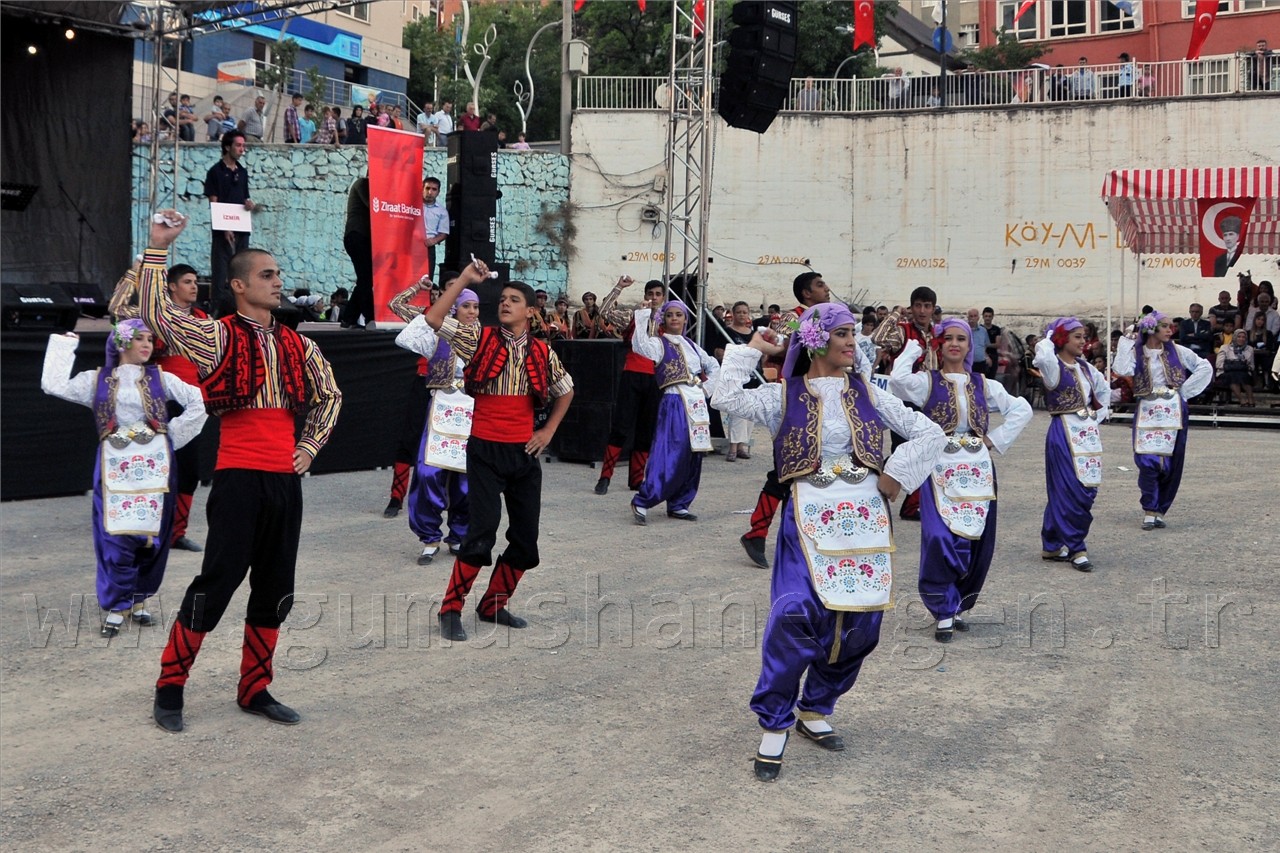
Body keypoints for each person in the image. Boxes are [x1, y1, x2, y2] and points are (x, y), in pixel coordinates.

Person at [711, 303, 945, 783]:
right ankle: (775, 723)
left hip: (864, 518)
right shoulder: (783, 397)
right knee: (793, 612)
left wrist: (896, 476)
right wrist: (750, 351)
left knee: (862, 625)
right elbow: (724, 397)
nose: (851, 342)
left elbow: (929, 430)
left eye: (852, 334)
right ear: (816, 340)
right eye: (842, 333)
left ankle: (816, 707)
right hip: (808, 515)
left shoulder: (871, 394)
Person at [142, 209, 342, 733]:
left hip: (283, 480)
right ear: (238, 285)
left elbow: (330, 397)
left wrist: (309, 448)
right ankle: (170, 683)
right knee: (217, 581)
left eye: (278, 275)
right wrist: (158, 247)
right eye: (267, 276)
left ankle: (254, 687)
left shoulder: (301, 345)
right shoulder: (218, 336)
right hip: (237, 478)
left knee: (277, 586)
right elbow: (157, 317)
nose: (278, 283)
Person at [423, 260, 575, 642]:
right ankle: (450, 608)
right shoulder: (480, 337)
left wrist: (548, 430)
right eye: (502, 299)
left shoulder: (542, 351)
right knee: (481, 533)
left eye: (514, 300)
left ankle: (493, 603)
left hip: (524, 453)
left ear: (530, 311)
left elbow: (566, 390)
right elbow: (432, 318)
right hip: (486, 450)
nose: (505, 304)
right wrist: (463, 281)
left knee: (526, 538)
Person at [41, 322, 207, 637]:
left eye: (149, 340)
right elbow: (53, 385)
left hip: (155, 468)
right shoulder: (98, 380)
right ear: (121, 344)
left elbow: (198, 403)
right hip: (114, 470)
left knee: (151, 535)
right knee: (116, 536)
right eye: (139, 339)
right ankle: (117, 604)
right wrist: (64, 346)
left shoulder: (162, 378)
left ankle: (138, 599)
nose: (147, 345)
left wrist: (169, 436)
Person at [890, 320, 1032, 642]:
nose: (955, 344)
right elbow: (897, 381)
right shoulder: (927, 381)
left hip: (978, 466)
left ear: (970, 346)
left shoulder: (984, 384)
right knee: (940, 536)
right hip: (939, 465)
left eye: (961, 339)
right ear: (939, 345)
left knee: (975, 539)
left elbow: (1020, 409)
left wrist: (994, 440)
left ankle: (955, 605)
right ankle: (942, 606)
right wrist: (915, 348)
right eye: (948, 338)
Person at [109, 263, 213, 552]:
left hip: (192, 403)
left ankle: (176, 534)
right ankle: (140, 531)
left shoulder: (203, 319)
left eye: (196, 282)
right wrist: (133, 273)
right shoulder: (154, 319)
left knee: (189, 470)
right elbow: (117, 310)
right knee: (150, 466)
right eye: (188, 282)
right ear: (172, 286)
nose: (194, 287)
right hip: (159, 398)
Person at [738, 272, 832, 569]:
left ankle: (791, 535)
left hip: (824, 399)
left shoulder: (827, 318)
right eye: (819, 285)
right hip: (795, 400)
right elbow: (778, 343)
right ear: (806, 293)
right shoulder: (795, 317)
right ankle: (758, 532)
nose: (826, 288)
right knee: (786, 468)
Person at [391, 278, 479, 564]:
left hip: (470, 410)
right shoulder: (436, 329)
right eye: (466, 305)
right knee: (429, 473)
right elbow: (400, 321)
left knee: (465, 478)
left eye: (476, 306)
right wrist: (419, 288)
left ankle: (459, 534)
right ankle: (429, 536)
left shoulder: (485, 336)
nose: (473, 311)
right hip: (441, 406)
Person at [1112, 311, 1212, 529]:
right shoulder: (1137, 351)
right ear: (1152, 329)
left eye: (1170, 326)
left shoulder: (1177, 350)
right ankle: (1149, 507)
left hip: (1173, 409)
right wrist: (1126, 342)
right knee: (1147, 460)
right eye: (1165, 326)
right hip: (1147, 408)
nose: (1170, 330)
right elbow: (1120, 369)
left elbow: (1204, 366)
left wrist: (1184, 391)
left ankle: (1158, 508)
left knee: (1169, 461)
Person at [629, 298, 720, 525]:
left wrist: (706, 388)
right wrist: (643, 315)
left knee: (693, 455)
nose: (674, 319)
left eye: (678, 315)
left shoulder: (692, 345)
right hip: (674, 401)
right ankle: (643, 499)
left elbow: (714, 366)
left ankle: (680, 502)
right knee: (670, 453)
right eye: (669, 315)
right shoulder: (659, 343)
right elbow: (640, 345)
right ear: (664, 319)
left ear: (685, 319)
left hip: (696, 404)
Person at [1033, 318, 1110, 572]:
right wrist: (1049, 336)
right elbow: (1043, 356)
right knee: (1068, 489)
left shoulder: (1086, 367)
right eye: (1077, 336)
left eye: (1083, 336)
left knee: (1085, 486)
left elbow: (1103, 391)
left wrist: (1098, 416)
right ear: (1062, 339)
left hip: (1086, 433)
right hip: (1063, 432)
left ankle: (1053, 543)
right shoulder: (1053, 368)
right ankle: (1077, 546)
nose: (1082, 341)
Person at [870, 286, 939, 521]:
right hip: (903, 400)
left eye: (927, 306)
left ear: (933, 309)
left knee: (927, 448)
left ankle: (911, 506)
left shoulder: (937, 334)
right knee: (903, 450)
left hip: (929, 398)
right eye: (918, 305)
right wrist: (895, 314)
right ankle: (877, 479)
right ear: (911, 307)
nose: (922, 311)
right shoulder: (903, 331)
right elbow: (876, 338)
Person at [592, 277, 665, 495]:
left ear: (663, 297)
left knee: (646, 429)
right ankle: (605, 477)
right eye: (650, 294)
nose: (653, 298)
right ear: (645, 296)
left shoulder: (668, 320)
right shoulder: (633, 316)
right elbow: (603, 312)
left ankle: (636, 479)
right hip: (632, 374)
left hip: (655, 379)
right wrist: (619, 287)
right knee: (621, 427)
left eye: (657, 294)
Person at [204, 131, 257, 318]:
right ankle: (217, 312)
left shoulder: (242, 172)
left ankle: (241, 310)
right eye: (238, 145)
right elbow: (214, 202)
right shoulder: (215, 172)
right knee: (221, 272)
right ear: (228, 147)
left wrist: (249, 204)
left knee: (242, 269)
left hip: (241, 227)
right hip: (223, 229)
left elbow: (245, 197)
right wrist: (223, 226)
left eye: (243, 146)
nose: (242, 149)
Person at [719, 301, 762, 461]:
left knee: (750, 414)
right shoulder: (726, 332)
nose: (742, 315)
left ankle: (742, 446)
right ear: (734, 314)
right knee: (737, 413)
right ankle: (732, 447)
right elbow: (719, 352)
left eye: (745, 312)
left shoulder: (754, 334)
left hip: (753, 377)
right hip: (735, 378)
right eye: (739, 312)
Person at [341, 176, 373, 329]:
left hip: (364, 238)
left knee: (365, 279)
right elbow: (374, 206)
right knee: (366, 278)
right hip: (357, 235)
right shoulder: (363, 183)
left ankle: (349, 318)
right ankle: (370, 317)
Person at [1216, 329, 1255, 407]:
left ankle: (1251, 399)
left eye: (1243, 337)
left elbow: (1252, 366)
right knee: (1233, 376)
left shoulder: (1249, 349)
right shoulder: (1224, 347)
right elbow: (1219, 364)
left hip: (1243, 372)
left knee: (1244, 376)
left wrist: (1243, 365)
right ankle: (1242, 400)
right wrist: (1235, 364)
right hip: (1225, 372)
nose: (1241, 339)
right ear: (1234, 337)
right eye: (1239, 337)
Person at [421, 176, 449, 281]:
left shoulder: (442, 211)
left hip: (428, 248)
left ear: (438, 192)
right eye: (427, 188)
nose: (430, 192)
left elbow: (444, 233)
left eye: (434, 189)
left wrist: (434, 241)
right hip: (409, 246)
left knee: (426, 279)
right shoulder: (412, 205)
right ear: (422, 188)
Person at [966, 308, 991, 375]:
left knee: (980, 383)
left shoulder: (983, 330)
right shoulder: (964, 330)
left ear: (978, 317)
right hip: (967, 363)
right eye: (971, 316)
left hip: (981, 363)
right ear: (968, 317)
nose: (973, 318)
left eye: (975, 316)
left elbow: (985, 346)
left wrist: (987, 357)